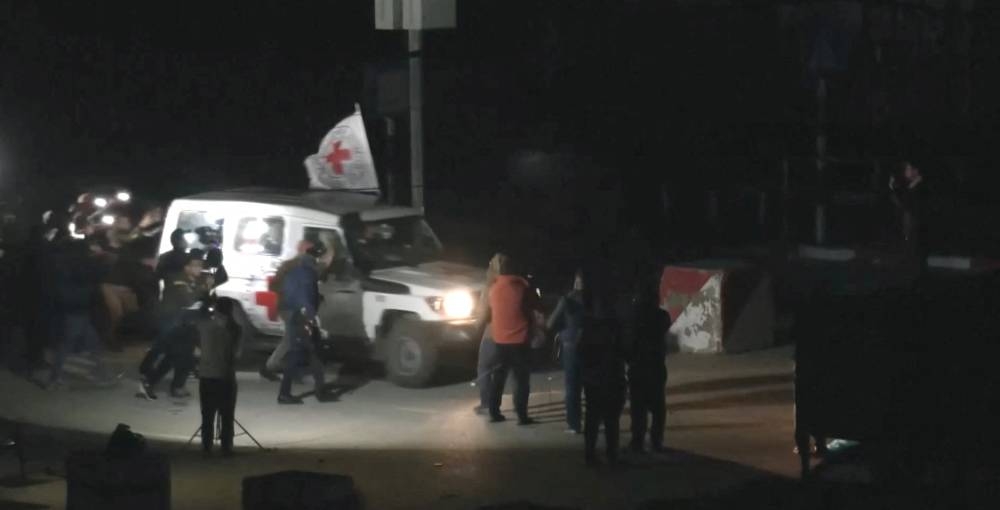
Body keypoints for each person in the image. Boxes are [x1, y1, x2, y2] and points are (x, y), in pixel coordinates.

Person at [44, 238, 114, 389]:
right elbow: (100, 272)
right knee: (72, 344)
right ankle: (54, 379)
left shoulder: (66, 264)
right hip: (77, 310)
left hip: (73, 309)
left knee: (89, 343)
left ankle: (101, 374)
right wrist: (100, 256)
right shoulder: (80, 265)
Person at [139, 253, 208, 399]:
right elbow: (189, 300)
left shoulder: (193, 280)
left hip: (186, 323)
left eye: (201, 266)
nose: (200, 269)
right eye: (196, 265)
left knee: (179, 355)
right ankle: (156, 381)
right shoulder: (178, 280)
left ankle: (166, 384)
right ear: (186, 267)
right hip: (173, 322)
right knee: (173, 354)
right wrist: (204, 288)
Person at [579, 259, 627, 465]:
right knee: (611, 420)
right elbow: (626, 352)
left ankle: (590, 454)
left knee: (592, 418)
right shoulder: (617, 328)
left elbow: (582, 353)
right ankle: (612, 455)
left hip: (594, 380)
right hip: (613, 377)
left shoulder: (589, 328)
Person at [485, 255, 540, 425]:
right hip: (519, 340)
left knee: (498, 379)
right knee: (521, 381)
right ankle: (522, 416)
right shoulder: (523, 287)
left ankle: (494, 412)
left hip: (499, 339)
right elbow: (536, 306)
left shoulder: (493, 288)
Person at [277, 242, 329, 404]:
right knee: (300, 354)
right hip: (303, 317)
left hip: (296, 316)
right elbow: (304, 296)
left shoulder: (298, 270)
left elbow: (292, 292)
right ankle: (285, 393)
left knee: (313, 353)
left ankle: (320, 391)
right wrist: (313, 317)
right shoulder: (308, 273)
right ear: (316, 257)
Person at [624, 269, 669, 454]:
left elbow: (629, 341)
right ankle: (656, 441)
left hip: (638, 365)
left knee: (638, 407)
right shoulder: (662, 316)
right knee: (658, 406)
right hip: (656, 364)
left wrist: (628, 358)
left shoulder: (634, 317)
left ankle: (637, 441)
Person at [259, 240, 318, 382]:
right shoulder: (301, 265)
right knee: (292, 338)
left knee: (296, 337)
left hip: (287, 305)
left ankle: (283, 368)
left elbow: (273, 285)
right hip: (292, 307)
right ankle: (273, 367)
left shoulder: (289, 265)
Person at [196, 296, 242, 457]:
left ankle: (206, 445)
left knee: (207, 413)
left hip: (206, 375)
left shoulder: (204, 326)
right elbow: (236, 352)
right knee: (227, 413)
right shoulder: (234, 328)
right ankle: (226, 446)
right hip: (225, 375)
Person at [546, 269, 586, 434]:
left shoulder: (567, 300)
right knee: (593, 386)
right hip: (593, 345)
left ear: (575, 282)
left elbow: (550, 324)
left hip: (571, 346)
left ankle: (574, 424)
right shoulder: (597, 299)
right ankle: (598, 421)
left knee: (572, 387)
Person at [473, 253, 508, 415]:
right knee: (501, 371)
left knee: (484, 368)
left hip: (492, 333)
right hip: (512, 334)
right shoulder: (515, 283)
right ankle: (496, 405)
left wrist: (475, 328)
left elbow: (482, 311)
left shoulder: (491, 286)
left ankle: (486, 403)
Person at [889, 159, 930, 279]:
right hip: (905, 217)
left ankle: (912, 265)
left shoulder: (918, 182)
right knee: (907, 240)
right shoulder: (900, 183)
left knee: (913, 241)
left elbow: (917, 201)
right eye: (908, 169)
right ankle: (906, 264)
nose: (911, 171)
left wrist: (914, 184)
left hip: (914, 218)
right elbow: (901, 200)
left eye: (912, 169)